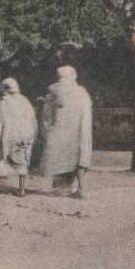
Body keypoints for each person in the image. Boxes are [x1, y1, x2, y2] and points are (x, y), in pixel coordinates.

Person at [40, 66, 93, 199]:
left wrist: (48, 131)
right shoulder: (82, 92)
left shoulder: (53, 92)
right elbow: (87, 114)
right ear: (73, 76)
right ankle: (81, 188)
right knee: (80, 156)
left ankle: (61, 187)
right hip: (80, 131)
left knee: (60, 158)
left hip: (59, 132)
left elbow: (46, 116)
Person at [0, 77, 37, 197]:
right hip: (24, 134)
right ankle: (21, 188)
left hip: (9, 134)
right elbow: (32, 119)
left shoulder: (4, 102)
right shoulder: (25, 101)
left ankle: (3, 182)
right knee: (22, 160)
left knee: (3, 156)